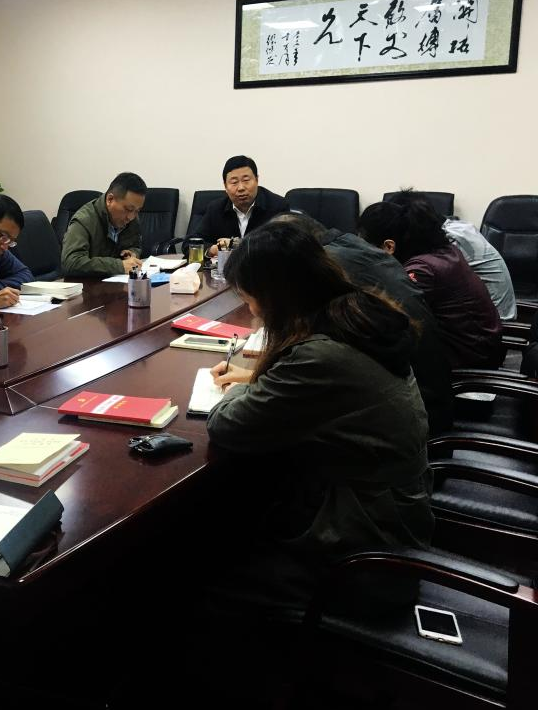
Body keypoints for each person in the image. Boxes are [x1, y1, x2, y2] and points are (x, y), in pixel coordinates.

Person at [205, 223, 433, 618]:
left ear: (274, 295)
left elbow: (227, 423)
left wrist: (244, 388)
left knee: (201, 561)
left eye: (251, 299)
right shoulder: (358, 311)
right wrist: (262, 381)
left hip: (364, 548)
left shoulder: (318, 356)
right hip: (396, 512)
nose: (252, 312)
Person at [270, 212, 453, 435]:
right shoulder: (353, 244)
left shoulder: (328, 263)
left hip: (414, 411)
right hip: (423, 388)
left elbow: (305, 337)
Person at [359, 197, 503, 370]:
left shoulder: (422, 270)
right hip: (479, 347)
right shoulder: (445, 251)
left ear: (389, 246)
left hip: (467, 358)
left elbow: (393, 316)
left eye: (365, 248)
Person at [195, 155, 288, 256]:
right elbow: (191, 243)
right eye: (234, 182)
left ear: (257, 180)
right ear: (225, 186)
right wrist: (213, 250)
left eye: (246, 180)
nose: (241, 188)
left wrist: (238, 245)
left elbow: (286, 246)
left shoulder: (278, 206)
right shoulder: (216, 209)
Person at [60, 172, 146, 276]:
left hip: (116, 282)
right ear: (110, 199)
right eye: (128, 209)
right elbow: (71, 262)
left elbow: (135, 245)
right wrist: (119, 266)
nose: (131, 217)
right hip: (87, 284)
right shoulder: (84, 220)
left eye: (137, 211)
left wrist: (132, 253)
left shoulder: (131, 218)